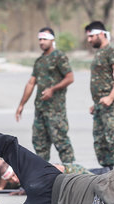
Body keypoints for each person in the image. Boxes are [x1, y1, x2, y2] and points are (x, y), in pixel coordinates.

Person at [15, 27, 75, 163]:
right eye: (40, 39)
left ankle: (72, 173)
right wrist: (21, 105)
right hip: (40, 110)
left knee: (61, 142)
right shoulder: (40, 61)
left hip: (55, 110)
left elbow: (70, 77)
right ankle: (43, 174)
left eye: (45, 39)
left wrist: (52, 89)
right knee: (39, 143)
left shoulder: (59, 56)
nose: (41, 42)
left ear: (52, 40)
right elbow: (31, 83)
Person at [85, 21, 114, 172]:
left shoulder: (112, 50)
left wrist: (110, 97)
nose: (89, 40)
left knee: (112, 135)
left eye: (91, 36)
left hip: (112, 102)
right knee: (100, 139)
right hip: (100, 103)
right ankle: (108, 171)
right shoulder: (99, 52)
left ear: (101, 34)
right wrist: (95, 103)